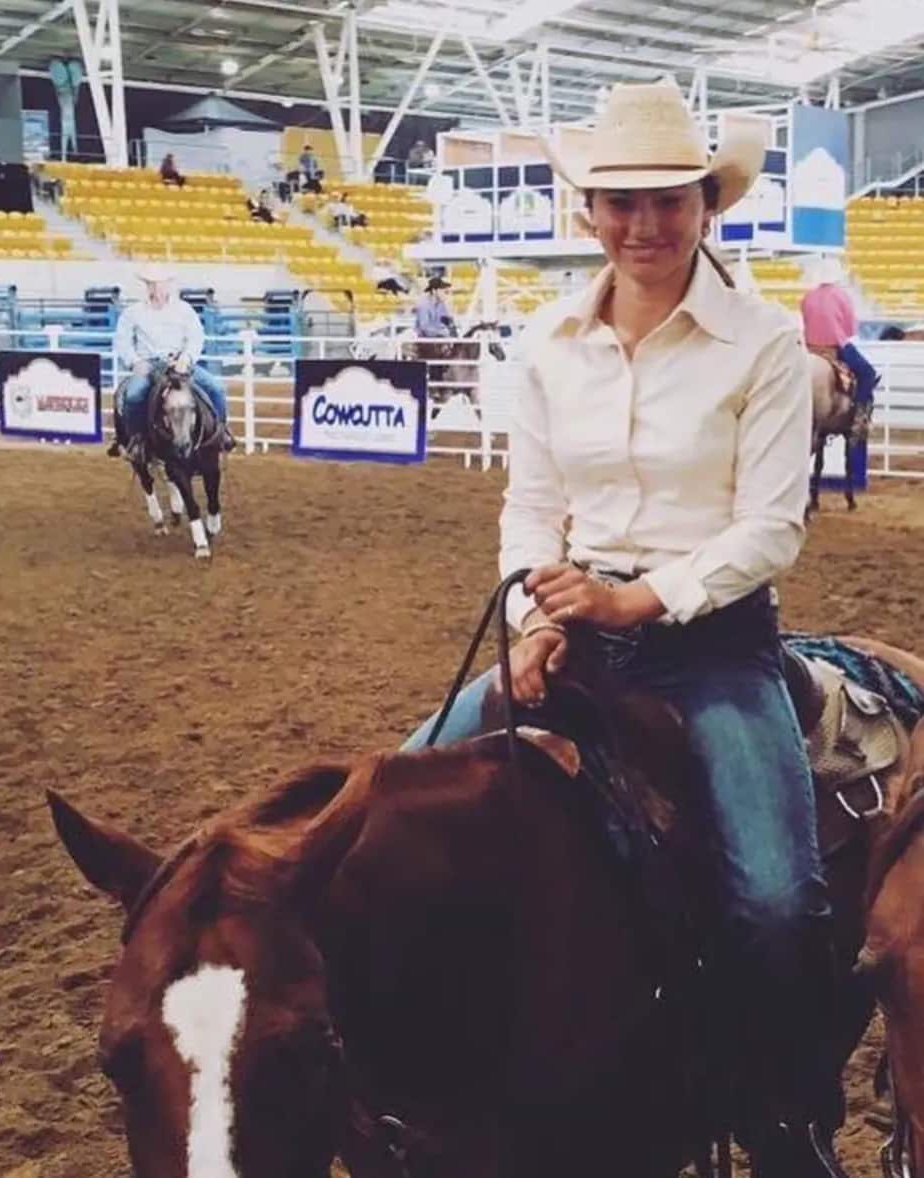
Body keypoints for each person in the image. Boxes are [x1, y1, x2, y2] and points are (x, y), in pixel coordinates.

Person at [403, 77, 849, 1178]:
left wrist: (635, 602)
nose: (644, 224)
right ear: (590, 211)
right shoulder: (548, 342)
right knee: (385, 809)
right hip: (569, 634)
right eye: (621, 202)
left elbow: (770, 528)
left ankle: (784, 1113)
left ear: (708, 205)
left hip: (714, 648)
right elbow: (530, 508)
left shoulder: (764, 344)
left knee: (776, 896)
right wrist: (532, 617)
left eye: (669, 200)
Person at [109, 263, 234, 456]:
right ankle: (136, 439)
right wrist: (135, 362)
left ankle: (221, 431)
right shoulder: (133, 312)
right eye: (151, 283)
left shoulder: (184, 310)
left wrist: (186, 358)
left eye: (160, 283)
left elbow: (196, 337)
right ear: (146, 286)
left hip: (179, 363)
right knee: (133, 395)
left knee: (216, 388)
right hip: (148, 365)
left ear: (168, 284)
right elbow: (122, 340)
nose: (156, 288)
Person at [801, 258, 879, 424]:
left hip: (809, 347)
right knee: (868, 373)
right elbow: (850, 328)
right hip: (834, 344)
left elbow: (805, 319)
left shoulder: (808, 296)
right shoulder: (841, 296)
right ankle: (859, 412)